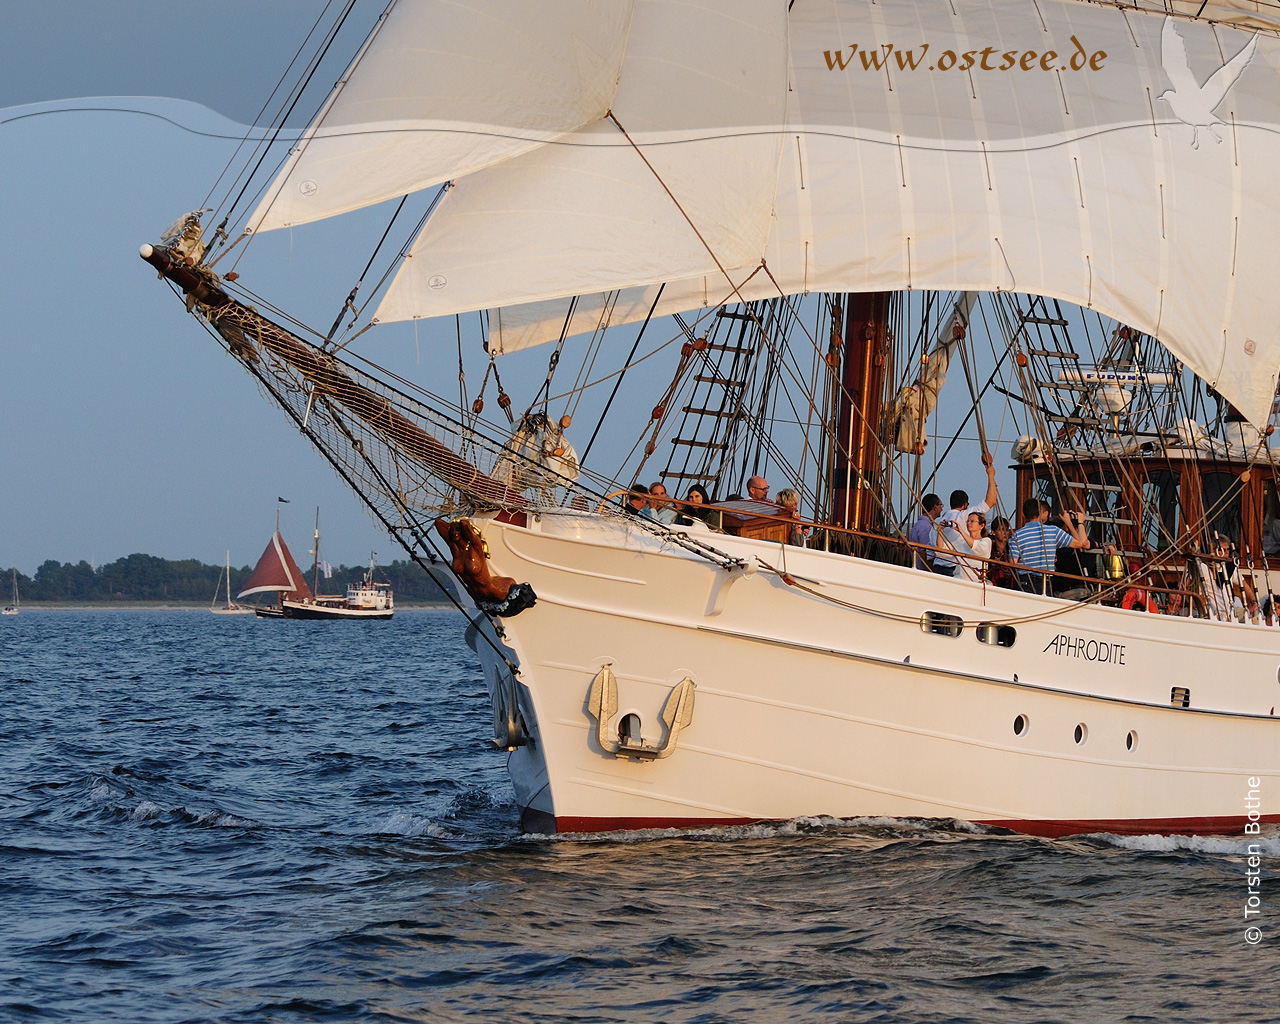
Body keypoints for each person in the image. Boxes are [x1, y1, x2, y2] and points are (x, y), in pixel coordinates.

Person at [1010, 497, 1090, 594]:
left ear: (1023, 515)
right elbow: (1079, 543)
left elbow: (1013, 563)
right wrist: (1072, 522)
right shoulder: (1053, 531)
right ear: (1040, 512)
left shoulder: (1016, 535)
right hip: (1044, 580)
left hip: (1024, 580)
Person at [933, 461, 999, 576]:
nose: (968, 522)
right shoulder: (963, 515)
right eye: (969, 520)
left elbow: (975, 547)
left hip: (938, 568)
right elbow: (991, 501)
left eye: (972, 521)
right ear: (965, 505)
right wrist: (991, 476)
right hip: (953, 571)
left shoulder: (937, 521)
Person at [1199, 533, 1259, 621]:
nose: (1227, 552)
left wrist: (1253, 602)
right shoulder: (1204, 567)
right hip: (1214, 613)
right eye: (1223, 550)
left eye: (1228, 550)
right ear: (1214, 550)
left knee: (1256, 618)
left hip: (1230, 611)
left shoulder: (1229, 567)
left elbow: (1243, 584)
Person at [953, 510, 992, 583]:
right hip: (959, 580)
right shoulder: (962, 542)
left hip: (976, 582)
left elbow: (977, 548)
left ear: (982, 525)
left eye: (972, 521)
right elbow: (943, 551)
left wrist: (961, 531)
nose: (968, 523)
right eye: (967, 521)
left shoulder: (986, 541)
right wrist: (940, 530)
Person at [909, 494, 944, 571]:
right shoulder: (926, 527)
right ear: (935, 507)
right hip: (923, 571)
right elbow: (925, 554)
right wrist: (931, 572)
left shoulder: (918, 525)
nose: (941, 509)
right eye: (941, 506)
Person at [986, 516, 1018, 589]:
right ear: (993, 532)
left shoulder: (1012, 548)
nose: (1005, 533)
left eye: (1006, 530)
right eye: (1001, 530)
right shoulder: (990, 548)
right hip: (993, 585)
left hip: (1010, 585)